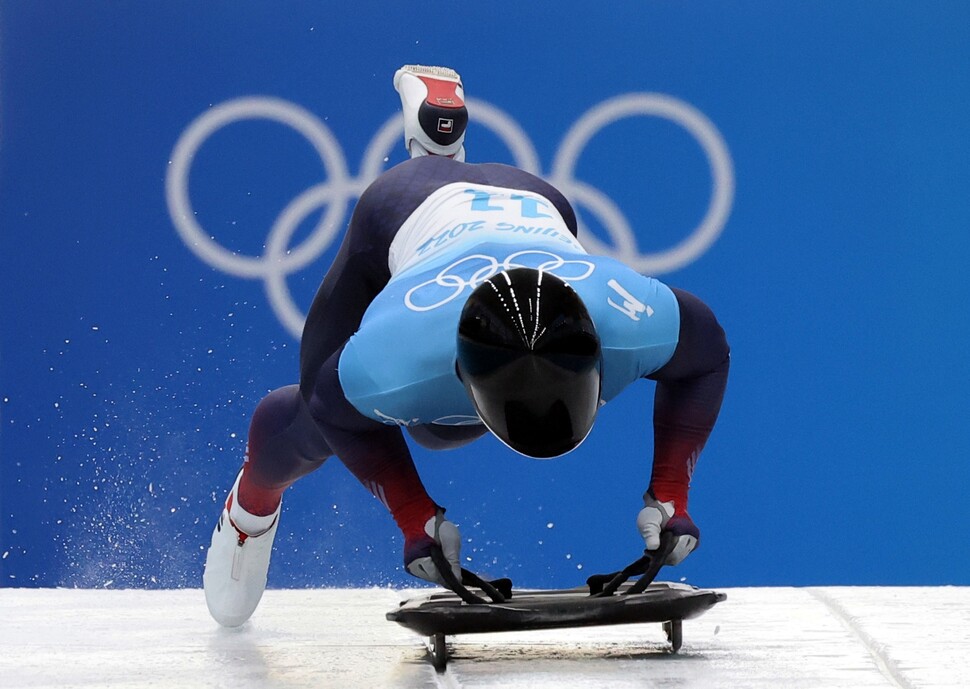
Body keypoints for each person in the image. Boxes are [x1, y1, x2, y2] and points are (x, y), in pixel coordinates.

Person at [203, 65, 730, 627]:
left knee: (437, 430)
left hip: (537, 204)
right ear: (461, 375)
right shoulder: (399, 359)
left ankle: (436, 140)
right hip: (401, 211)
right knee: (320, 409)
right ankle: (249, 506)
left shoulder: (629, 319)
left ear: (600, 357)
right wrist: (413, 517)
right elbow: (334, 407)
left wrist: (672, 493)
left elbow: (709, 357)